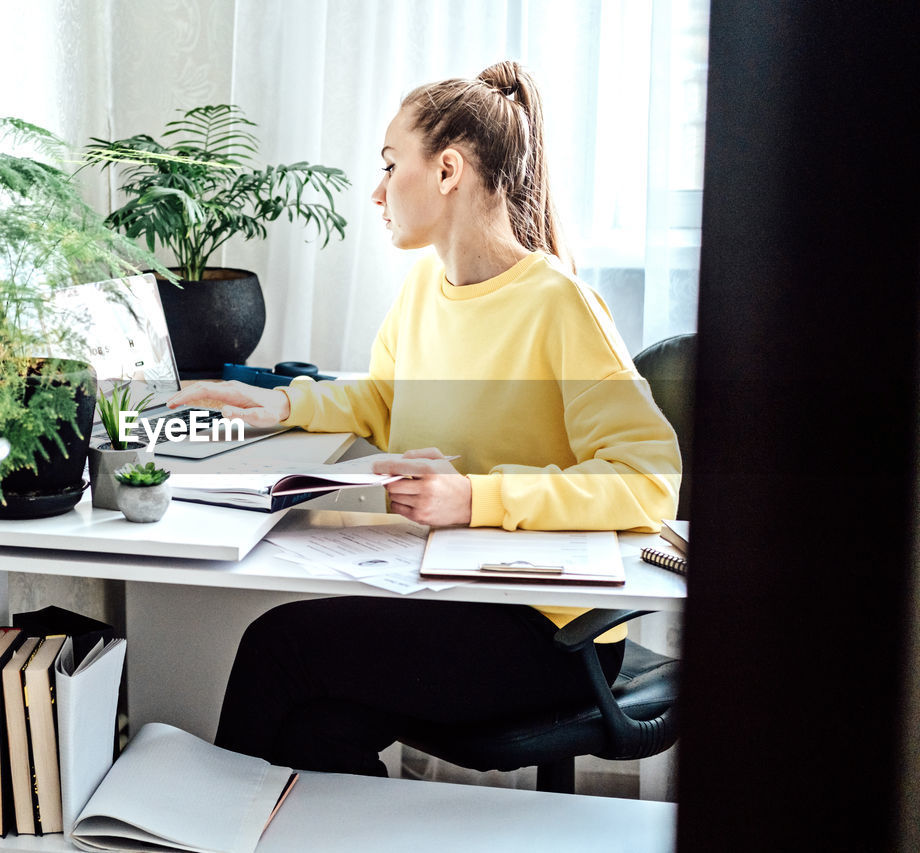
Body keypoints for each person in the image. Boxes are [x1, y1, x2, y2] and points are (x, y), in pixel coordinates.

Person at [166, 61, 681, 776]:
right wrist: (280, 404)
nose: (376, 191)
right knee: (314, 727)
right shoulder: (421, 293)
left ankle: (205, 826)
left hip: (549, 634)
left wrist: (476, 496)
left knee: (279, 646)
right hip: (454, 593)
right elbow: (384, 399)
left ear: (446, 170)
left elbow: (648, 478)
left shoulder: (558, 305)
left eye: (388, 165)